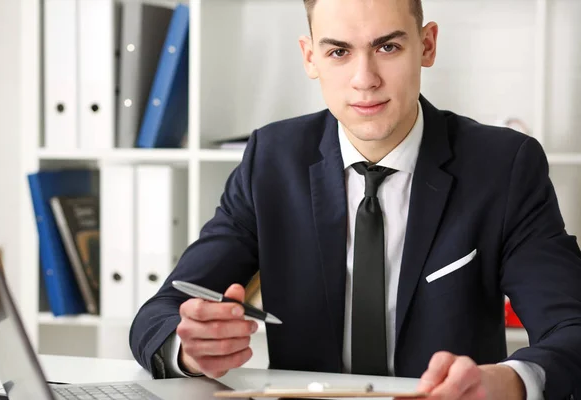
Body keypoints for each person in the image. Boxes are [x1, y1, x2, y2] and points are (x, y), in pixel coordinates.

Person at [129, 0, 581, 398]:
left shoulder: (504, 165)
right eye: (339, 52)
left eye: (388, 47)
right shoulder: (270, 160)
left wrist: (506, 383)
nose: (364, 80)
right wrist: (189, 348)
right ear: (311, 57)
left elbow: (571, 329)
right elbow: (160, 313)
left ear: (427, 45)